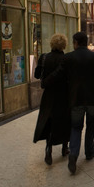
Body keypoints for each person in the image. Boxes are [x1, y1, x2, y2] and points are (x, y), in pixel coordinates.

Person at [43, 31, 94, 175]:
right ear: (86, 42)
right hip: (92, 100)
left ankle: (73, 155)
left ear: (75, 43)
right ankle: (90, 152)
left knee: (76, 128)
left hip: (76, 100)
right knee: (91, 126)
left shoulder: (69, 58)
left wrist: (45, 82)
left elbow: (58, 74)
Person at [33, 34, 71, 165]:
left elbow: (37, 75)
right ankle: (65, 147)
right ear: (64, 45)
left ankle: (48, 150)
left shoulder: (43, 57)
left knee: (49, 121)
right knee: (64, 121)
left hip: (48, 95)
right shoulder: (66, 59)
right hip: (63, 95)